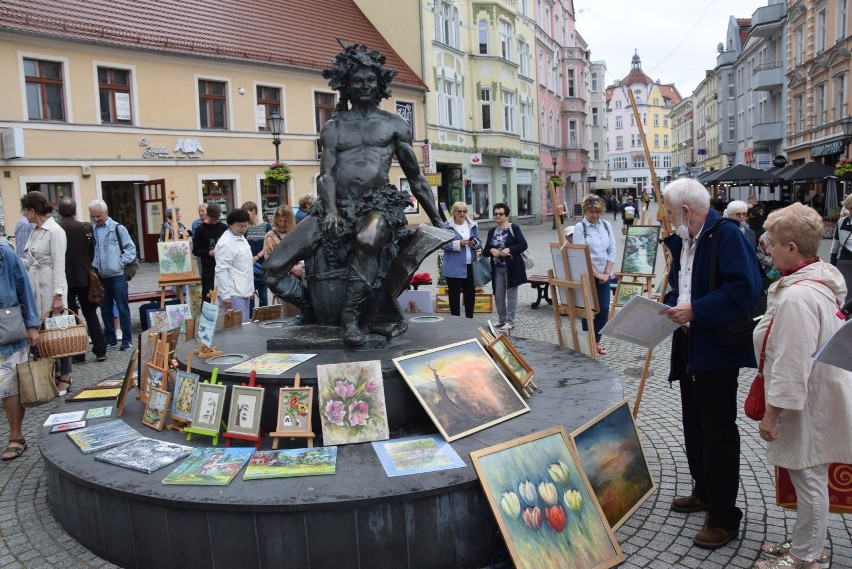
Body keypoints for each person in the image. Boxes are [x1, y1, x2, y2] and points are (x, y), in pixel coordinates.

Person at [263, 43, 444, 346]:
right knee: (272, 270)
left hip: (378, 204)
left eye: (370, 80)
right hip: (335, 206)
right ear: (346, 84)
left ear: (380, 84)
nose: (364, 86)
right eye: (357, 80)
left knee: (368, 239)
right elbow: (326, 175)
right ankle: (312, 310)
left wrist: (439, 218)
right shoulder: (334, 126)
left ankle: (350, 317)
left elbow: (416, 178)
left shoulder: (394, 124)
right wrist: (331, 210)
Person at [659, 178, 762, 550]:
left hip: (716, 350)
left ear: (686, 211)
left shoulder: (727, 235)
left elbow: (745, 289)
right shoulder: (687, 239)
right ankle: (703, 490)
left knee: (718, 433)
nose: (669, 220)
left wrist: (696, 310)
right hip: (689, 345)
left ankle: (724, 515)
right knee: (694, 425)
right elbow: (686, 288)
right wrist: (668, 305)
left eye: (671, 213)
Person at [753, 203, 852, 569]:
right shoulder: (815, 281)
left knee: (809, 478)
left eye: (774, 243)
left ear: (792, 248)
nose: (768, 248)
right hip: (815, 396)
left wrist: (772, 415)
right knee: (808, 476)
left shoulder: (798, 296)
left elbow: (793, 363)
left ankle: (806, 557)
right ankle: (803, 544)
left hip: (805, 403)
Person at [21, 191, 73, 394]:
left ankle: (66, 375)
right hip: (37, 285)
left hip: (51, 286)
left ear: (33, 211)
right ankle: (54, 372)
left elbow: (60, 264)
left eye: (25, 210)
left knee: (59, 332)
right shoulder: (36, 230)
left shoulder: (55, 231)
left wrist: (58, 295)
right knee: (43, 333)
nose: (24, 215)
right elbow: (31, 260)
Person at [0, 238, 40, 461]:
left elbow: (24, 288)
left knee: (9, 386)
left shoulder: (5, 254)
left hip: (8, 329)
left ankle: (16, 436)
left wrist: (32, 325)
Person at [57, 198, 107, 363]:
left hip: (65, 279)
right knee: (90, 313)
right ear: (75, 210)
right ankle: (100, 350)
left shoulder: (56, 229)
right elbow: (92, 252)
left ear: (59, 212)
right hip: (84, 276)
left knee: (71, 316)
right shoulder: (85, 228)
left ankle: (78, 352)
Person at [88, 199, 136, 352]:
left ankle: (127, 340)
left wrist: (119, 263)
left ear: (106, 213)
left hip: (117, 276)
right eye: (93, 216)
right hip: (100, 277)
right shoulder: (92, 230)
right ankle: (110, 338)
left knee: (122, 308)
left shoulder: (117, 228)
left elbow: (130, 249)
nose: (96, 219)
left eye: (99, 216)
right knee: (105, 309)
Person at [572, 195, 616, 355]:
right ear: (585, 211)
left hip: (604, 274)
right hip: (587, 275)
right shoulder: (580, 228)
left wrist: (606, 272)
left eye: (597, 212)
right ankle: (588, 343)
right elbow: (581, 254)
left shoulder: (606, 226)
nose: (595, 216)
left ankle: (596, 341)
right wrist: (597, 274)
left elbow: (612, 250)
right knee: (588, 311)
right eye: (591, 212)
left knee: (604, 309)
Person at [483, 203, 528, 330]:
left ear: (506, 215)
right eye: (496, 214)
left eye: (501, 214)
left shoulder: (513, 228)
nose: (498, 216)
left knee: (511, 294)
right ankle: (501, 319)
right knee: (498, 294)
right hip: (497, 268)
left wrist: (509, 249)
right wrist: (491, 250)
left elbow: (523, 245)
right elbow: (485, 250)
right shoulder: (492, 231)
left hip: (512, 267)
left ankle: (511, 321)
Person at [441, 202, 481, 319]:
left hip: (470, 265)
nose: (462, 213)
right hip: (454, 266)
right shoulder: (447, 226)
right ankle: (455, 320)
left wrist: (475, 243)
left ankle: (470, 318)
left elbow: (479, 243)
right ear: (454, 212)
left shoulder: (471, 225)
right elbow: (443, 245)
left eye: (464, 211)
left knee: (470, 294)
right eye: (459, 211)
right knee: (454, 295)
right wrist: (460, 243)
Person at [214, 208, 254, 323]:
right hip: (233, 292)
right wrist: (226, 295)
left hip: (243, 290)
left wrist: (250, 289)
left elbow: (247, 267)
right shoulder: (226, 243)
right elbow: (221, 270)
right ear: (231, 225)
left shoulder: (241, 238)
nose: (243, 229)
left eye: (246, 226)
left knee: (245, 324)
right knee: (238, 328)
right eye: (240, 226)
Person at [192, 203, 227, 303]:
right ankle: (206, 317)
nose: (214, 221)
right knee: (207, 295)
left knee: (225, 294)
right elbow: (195, 251)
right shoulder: (201, 229)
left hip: (223, 266)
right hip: (208, 267)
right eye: (212, 219)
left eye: (216, 219)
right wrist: (208, 253)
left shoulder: (223, 228)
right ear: (207, 215)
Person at [241, 201, 272, 308]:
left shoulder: (266, 226)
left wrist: (257, 257)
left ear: (254, 211)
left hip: (262, 263)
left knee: (263, 295)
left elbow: (268, 245)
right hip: (249, 265)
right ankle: (251, 319)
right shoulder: (245, 228)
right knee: (250, 295)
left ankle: (265, 317)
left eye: (247, 213)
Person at [830, 193, 852, 302]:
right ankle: (844, 317)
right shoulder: (842, 222)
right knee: (844, 294)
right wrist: (833, 264)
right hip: (845, 261)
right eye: (850, 208)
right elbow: (835, 243)